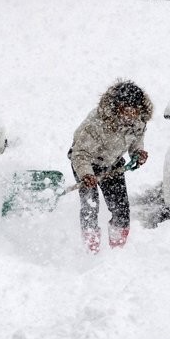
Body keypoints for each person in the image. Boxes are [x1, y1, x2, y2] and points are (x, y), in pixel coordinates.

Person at [68, 80, 153, 253]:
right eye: (125, 110)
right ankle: (91, 251)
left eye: (133, 110)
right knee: (90, 207)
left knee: (121, 209)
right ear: (116, 107)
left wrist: (137, 154)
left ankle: (117, 251)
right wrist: (86, 175)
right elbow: (80, 154)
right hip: (86, 163)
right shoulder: (96, 125)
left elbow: (135, 142)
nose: (130, 115)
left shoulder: (139, 121)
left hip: (113, 165)